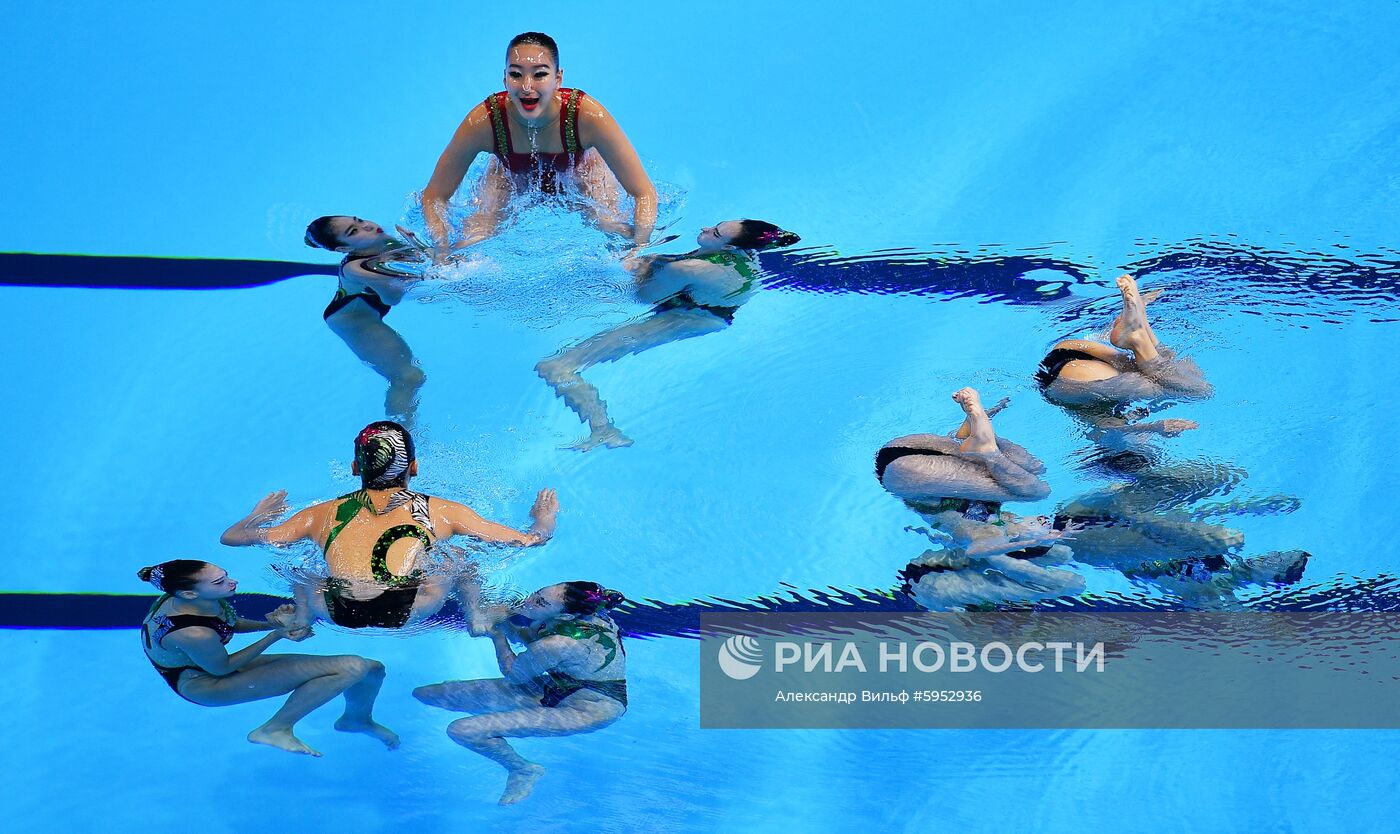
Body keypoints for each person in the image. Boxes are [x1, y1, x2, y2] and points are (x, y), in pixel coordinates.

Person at [221, 420, 558, 632]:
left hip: (335, 610)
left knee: (306, 572)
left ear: (354, 467)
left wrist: (259, 515)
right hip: (411, 608)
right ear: (414, 466)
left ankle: (301, 618)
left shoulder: (320, 514)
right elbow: (529, 541)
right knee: (458, 559)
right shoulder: (442, 511)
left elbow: (232, 538)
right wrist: (543, 520)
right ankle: (477, 615)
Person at [535, 219, 800, 450]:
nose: (705, 229)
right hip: (712, 309)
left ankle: (603, 429)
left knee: (555, 366)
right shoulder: (749, 251)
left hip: (688, 317)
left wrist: (630, 268)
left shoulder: (690, 269)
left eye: (715, 233)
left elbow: (642, 297)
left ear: (729, 247)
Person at [139, 559, 397, 756]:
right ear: (189, 594)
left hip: (207, 668)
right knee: (352, 668)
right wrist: (277, 635)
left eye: (225, 576)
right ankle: (275, 729)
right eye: (219, 582)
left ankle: (357, 720)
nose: (232, 582)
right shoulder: (193, 633)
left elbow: (227, 624)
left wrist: (271, 623)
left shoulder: (190, 600)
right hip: (207, 684)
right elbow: (222, 667)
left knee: (372, 669)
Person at [422, 32, 657, 248]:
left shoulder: (586, 116)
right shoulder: (484, 122)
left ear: (558, 79)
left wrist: (640, 249)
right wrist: (441, 250)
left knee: (608, 225)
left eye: (540, 74)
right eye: (516, 74)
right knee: (475, 236)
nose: (526, 87)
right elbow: (434, 196)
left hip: (582, 176)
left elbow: (644, 192)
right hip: (509, 180)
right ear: (504, 79)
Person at [414, 581, 627, 805]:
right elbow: (521, 631)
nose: (529, 601)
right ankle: (495, 711)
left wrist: (496, 635)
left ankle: (523, 769)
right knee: (427, 694)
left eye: (540, 602)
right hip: (557, 686)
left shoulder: (558, 643)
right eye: (536, 592)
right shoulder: (585, 613)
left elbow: (514, 674)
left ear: (565, 617)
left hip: (590, 708)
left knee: (462, 730)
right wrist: (489, 615)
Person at [878, 388, 1085, 610]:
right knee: (1036, 469)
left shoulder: (991, 533)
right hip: (910, 456)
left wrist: (1031, 542)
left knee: (1037, 492)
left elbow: (978, 551)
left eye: (1042, 528)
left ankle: (985, 445)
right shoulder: (998, 514)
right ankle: (978, 436)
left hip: (909, 473)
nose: (1045, 522)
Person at [305, 216, 428, 423]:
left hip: (369, 310)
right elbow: (392, 298)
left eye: (359, 220)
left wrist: (417, 244)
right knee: (407, 378)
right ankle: (400, 436)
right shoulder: (357, 268)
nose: (368, 226)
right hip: (353, 321)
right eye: (354, 231)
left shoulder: (382, 241)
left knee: (411, 376)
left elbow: (424, 259)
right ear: (343, 249)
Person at [1037, 273, 1212, 411]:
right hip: (1065, 348)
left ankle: (1139, 337)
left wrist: (1155, 427)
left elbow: (1105, 430)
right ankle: (1142, 327)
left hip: (1069, 379)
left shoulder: (1092, 408)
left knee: (1190, 390)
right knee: (1186, 381)